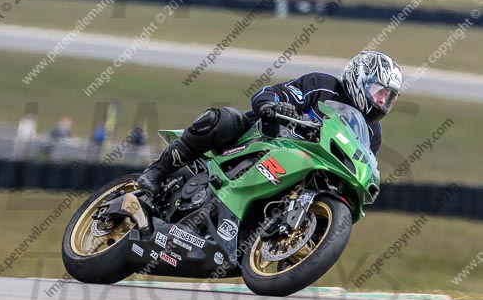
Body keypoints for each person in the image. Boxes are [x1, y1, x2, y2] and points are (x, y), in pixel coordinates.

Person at [137, 50, 403, 197]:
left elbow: (362, 162)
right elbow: (274, 93)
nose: (382, 101)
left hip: (308, 167)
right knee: (222, 119)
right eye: (380, 92)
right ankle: (158, 171)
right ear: (360, 78)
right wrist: (274, 106)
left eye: (388, 97)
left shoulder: (372, 132)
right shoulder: (322, 85)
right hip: (265, 138)